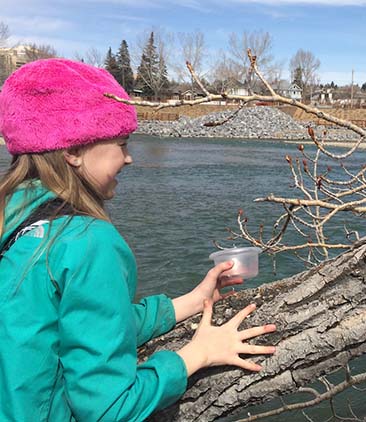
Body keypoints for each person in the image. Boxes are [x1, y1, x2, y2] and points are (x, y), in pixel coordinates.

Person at [0, 58, 276, 421]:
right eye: (122, 143)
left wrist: (192, 301)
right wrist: (198, 355)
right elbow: (109, 409)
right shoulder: (87, 241)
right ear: (73, 150)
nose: (129, 159)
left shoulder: (15, 220)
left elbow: (78, 328)